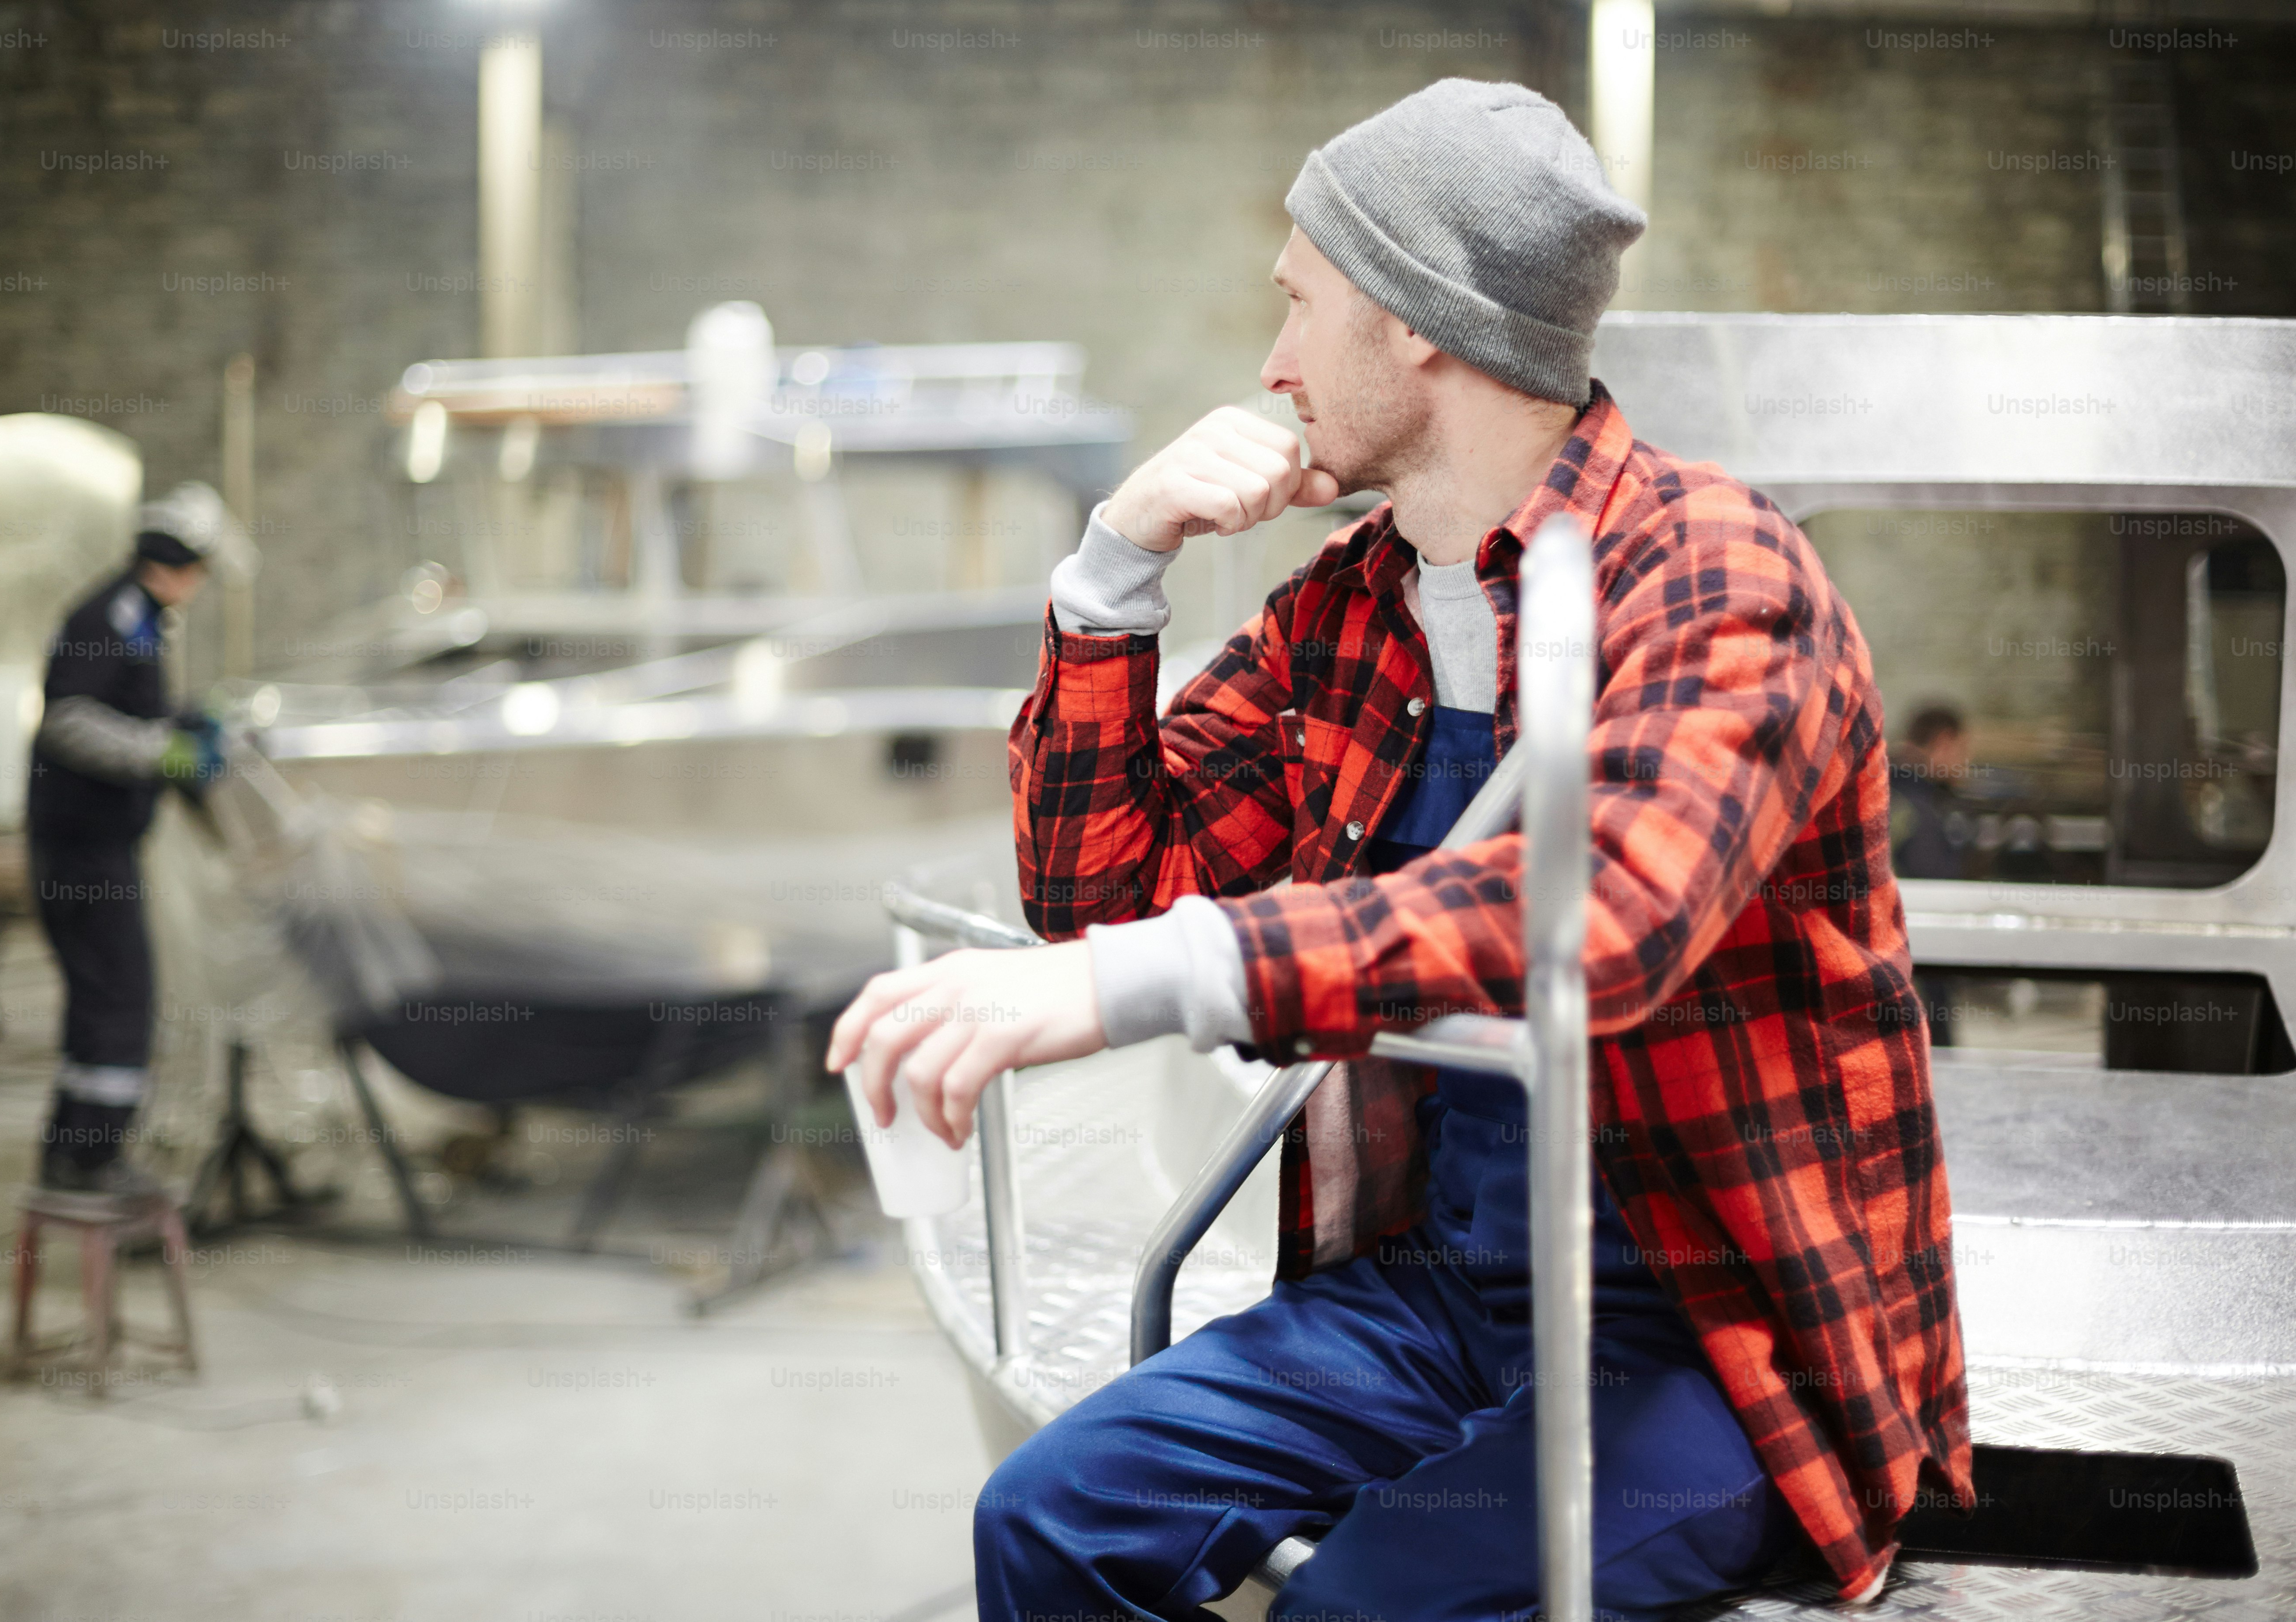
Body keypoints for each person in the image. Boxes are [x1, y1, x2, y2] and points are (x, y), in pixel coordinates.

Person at [828, 79, 1971, 1622]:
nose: (1271, 361)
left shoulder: (1714, 573)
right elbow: (1097, 895)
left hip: (1713, 1337)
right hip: (1445, 1289)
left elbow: (1601, 921)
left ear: (1417, 320)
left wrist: (1149, 978)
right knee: (1048, 1523)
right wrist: (1115, 576)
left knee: (1359, 1609)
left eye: (1300, 304)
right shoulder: (1351, 606)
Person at [28, 483, 228, 1196]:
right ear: (180, 564)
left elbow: (126, 705)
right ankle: (91, 1163)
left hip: (96, 845)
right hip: (83, 851)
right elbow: (70, 720)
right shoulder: (110, 615)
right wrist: (163, 751)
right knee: (120, 998)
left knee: (99, 998)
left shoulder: (139, 616)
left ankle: (70, 1151)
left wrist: (179, 720)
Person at [1889, 705, 1972, 1045]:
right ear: (1944, 742)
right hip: (1917, 966)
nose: (1965, 764)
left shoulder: (1886, 786)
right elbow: (1935, 884)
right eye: (1963, 752)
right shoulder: (1917, 806)